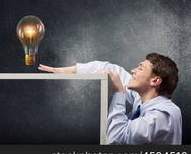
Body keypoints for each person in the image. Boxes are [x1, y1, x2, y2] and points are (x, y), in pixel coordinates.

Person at [38, 53, 182, 145]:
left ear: (155, 81)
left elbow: (115, 140)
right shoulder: (144, 99)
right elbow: (110, 69)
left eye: (140, 68)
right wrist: (65, 71)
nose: (133, 71)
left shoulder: (163, 115)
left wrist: (119, 93)